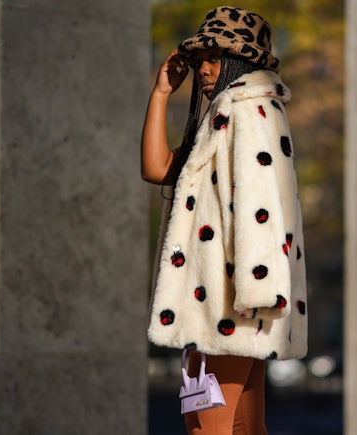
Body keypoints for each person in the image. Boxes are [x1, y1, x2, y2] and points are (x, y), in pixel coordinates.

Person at [140, 6, 308, 434]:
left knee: (207, 426)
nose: (205, 70)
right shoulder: (224, 120)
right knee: (240, 426)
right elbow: (157, 168)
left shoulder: (249, 113)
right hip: (226, 305)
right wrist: (161, 93)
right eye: (200, 62)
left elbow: (262, 205)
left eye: (215, 59)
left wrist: (257, 291)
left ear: (241, 62)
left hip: (229, 305)